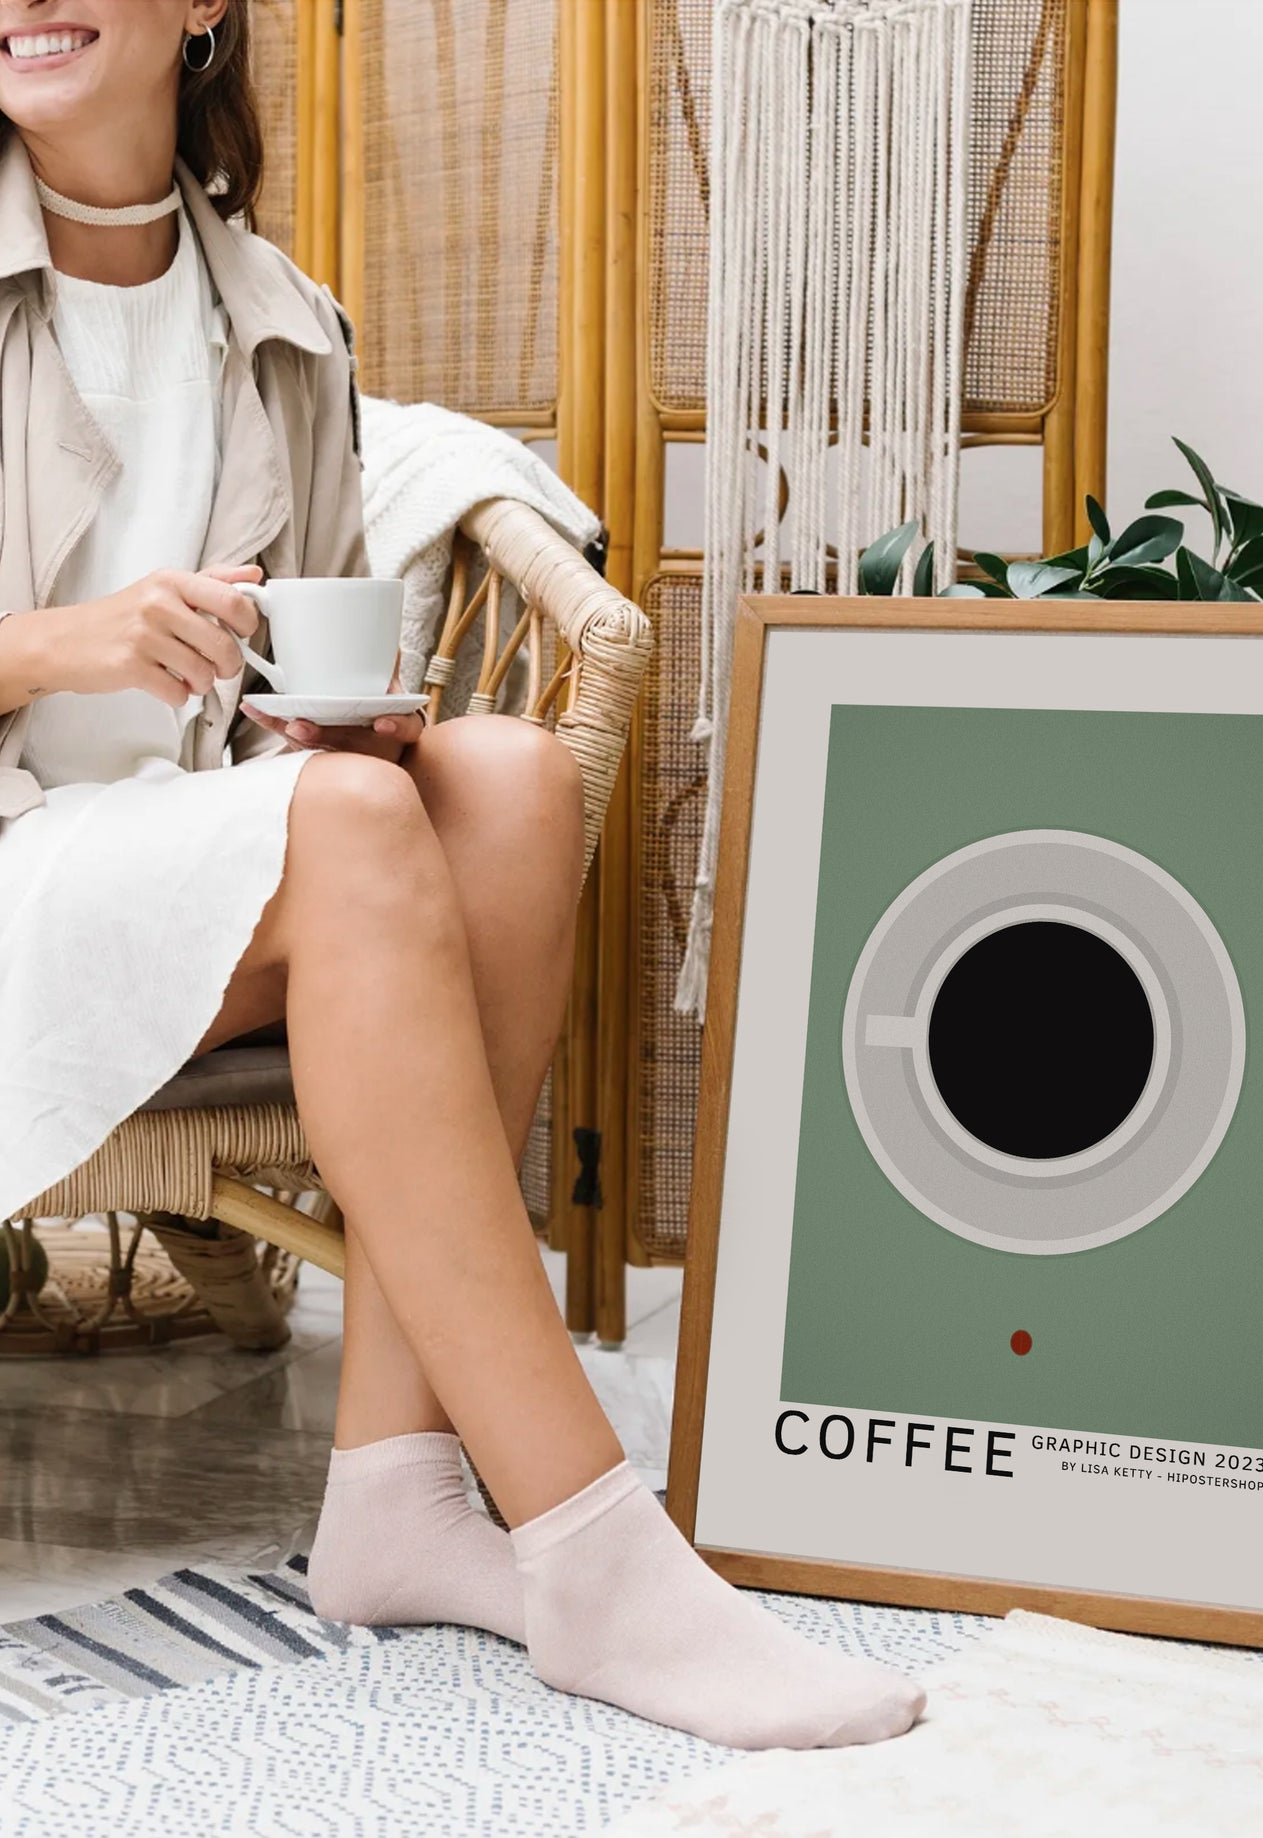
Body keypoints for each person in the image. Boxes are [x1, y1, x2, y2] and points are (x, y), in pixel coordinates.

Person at [0, 1, 924, 1751]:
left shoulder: (285, 319)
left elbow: (284, 677)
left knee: (500, 778)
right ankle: (590, 1542)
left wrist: (326, 725)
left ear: (203, 8)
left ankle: (397, 1484)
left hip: (177, 866)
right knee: (359, 825)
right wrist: (60, 644)